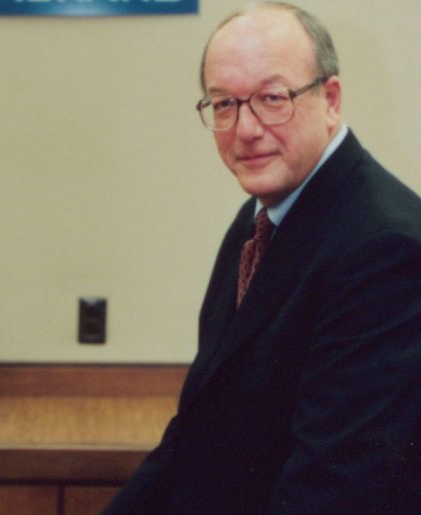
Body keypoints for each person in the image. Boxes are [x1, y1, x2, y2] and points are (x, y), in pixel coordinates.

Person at [103, 3, 421, 514]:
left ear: (331, 99)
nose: (245, 128)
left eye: (272, 98)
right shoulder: (259, 219)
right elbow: (195, 438)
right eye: (224, 104)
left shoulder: (385, 249)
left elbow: (332, 489)